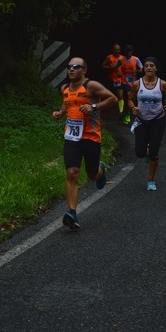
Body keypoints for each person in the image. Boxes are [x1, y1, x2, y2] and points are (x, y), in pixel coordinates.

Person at [52, 57, 117, 230]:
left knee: (91, 175)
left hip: (91, 137)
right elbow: (68, 103)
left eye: (76, 67)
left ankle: (100, 170)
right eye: (69, 67)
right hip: (72, 138)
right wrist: (60, 112)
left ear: (84, 70)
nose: (71, 69)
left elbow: (113, 99)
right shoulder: (64, 88)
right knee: (72, 173)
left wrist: (93, 107)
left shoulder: (91, 86)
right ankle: (71, 213)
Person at [127, 56, 166, 191]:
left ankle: (151, 180)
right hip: (141, 120)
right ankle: (146, 153)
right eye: (146, 66)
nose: (149, 68)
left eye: (151, 65)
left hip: (158, 120)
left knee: (154, 152)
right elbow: (129, 99)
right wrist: (133, 107)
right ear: (143, 68)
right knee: (139, 152)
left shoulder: (162, 84)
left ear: (156, 68)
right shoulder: (137, 84)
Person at [120, 44, 143, 125]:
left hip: (133, 82)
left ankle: (127, 112)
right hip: (124, 81)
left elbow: (141, 69)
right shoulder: (122, 59)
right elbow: (116, 67)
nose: (128, 53)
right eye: (127, 51)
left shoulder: (136, 59)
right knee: (128, 95)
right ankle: (127, 114)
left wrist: (137, 71)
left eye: (129, 51)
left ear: (132, 52)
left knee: (132, 99)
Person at [101, 43, 125, 117]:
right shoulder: (109, 57)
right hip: (110, 79)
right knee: (107, 95)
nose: (117, 51)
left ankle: (121, 112)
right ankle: (103, 110)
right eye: (115, 50)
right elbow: (103, 65)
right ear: (113, 50)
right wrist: (110, 67)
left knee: (120, 95)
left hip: (119, 79)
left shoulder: (122, 58)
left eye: (118, 50)